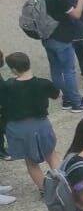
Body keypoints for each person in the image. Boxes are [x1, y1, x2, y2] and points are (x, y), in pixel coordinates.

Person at [31, 0, 83, 111]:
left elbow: (49, 9)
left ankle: (67, 99)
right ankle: (77, 102)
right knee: (69, 71)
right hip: (61, 38)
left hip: (47, 38)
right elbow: (77, 14)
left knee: (56, 70)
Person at [0, 51, 59, 194]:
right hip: (41, 124)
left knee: (31, 162)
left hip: (19, 127)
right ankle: (65, 182)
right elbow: (56, 95)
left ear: (14, 70)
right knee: (51, 154)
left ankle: (45, 190)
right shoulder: (43, 83)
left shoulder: (8, 86)